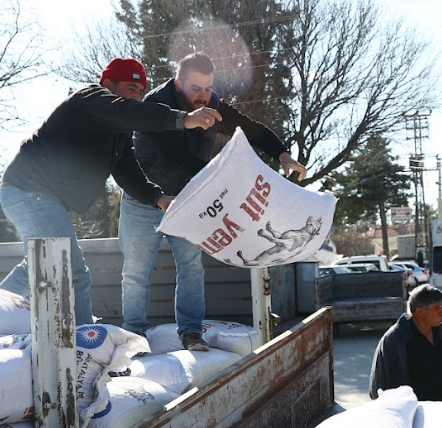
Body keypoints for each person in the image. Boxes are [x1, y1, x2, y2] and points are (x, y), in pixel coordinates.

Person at [0, 58, 222, 326]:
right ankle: (85, 342)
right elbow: (128, 112)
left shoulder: (118, 133)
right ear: (107, 84)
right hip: (28, 190)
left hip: (34, 195)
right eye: (130, 88)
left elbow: (127, 171)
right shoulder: (89, 100)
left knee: (37, 266)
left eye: (141, 92)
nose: (136, 96)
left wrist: (158, 198)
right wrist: (183, 119)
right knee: (71, 270)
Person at [118, 52, 307, 351]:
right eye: (195, 88)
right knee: (136, 271)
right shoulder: (155, 106)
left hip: (188, 199)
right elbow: (177, 159)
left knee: (192, 265)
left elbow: (249, 128)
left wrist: (282, 154)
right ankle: (133, 337)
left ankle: (191, 332)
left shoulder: (212, 104)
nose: (203, 96)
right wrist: (228, 182)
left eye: (207, 88)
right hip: (145, 198)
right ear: (178, 84)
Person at [368, 285, 442, 405]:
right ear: (420, 311)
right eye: (436, 308)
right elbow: (379, 385)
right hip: (413, 411)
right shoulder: (395, 339)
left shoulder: (438, 332)